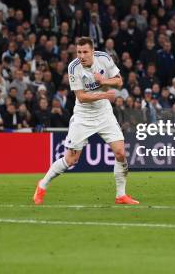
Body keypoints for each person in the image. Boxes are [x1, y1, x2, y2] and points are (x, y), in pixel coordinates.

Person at [33, 37, 139, 205]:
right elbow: (81, 97)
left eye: (85, 52)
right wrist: (104, 94)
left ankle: (121, 195)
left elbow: (119, 81)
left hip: (104, 114)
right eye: (79, 52)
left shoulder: (104, 58)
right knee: (71, 160)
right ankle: (42, 184)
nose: (81, 56)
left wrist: (103, 81)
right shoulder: (73, 67)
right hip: (83, 115)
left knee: (120, 152)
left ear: (92, 51)